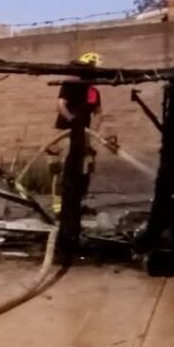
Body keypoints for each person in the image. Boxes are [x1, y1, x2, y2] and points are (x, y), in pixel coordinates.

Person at [53, 52, 116, 260]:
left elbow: (98, 113)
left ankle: (76, 205)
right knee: (61, 172)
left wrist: (92, 131)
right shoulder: (70, 85)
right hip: (65, 134)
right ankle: (60, 210)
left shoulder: (92, 91)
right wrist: (73, 122)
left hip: (83, 137)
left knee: (84, 169)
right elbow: (61, 106)